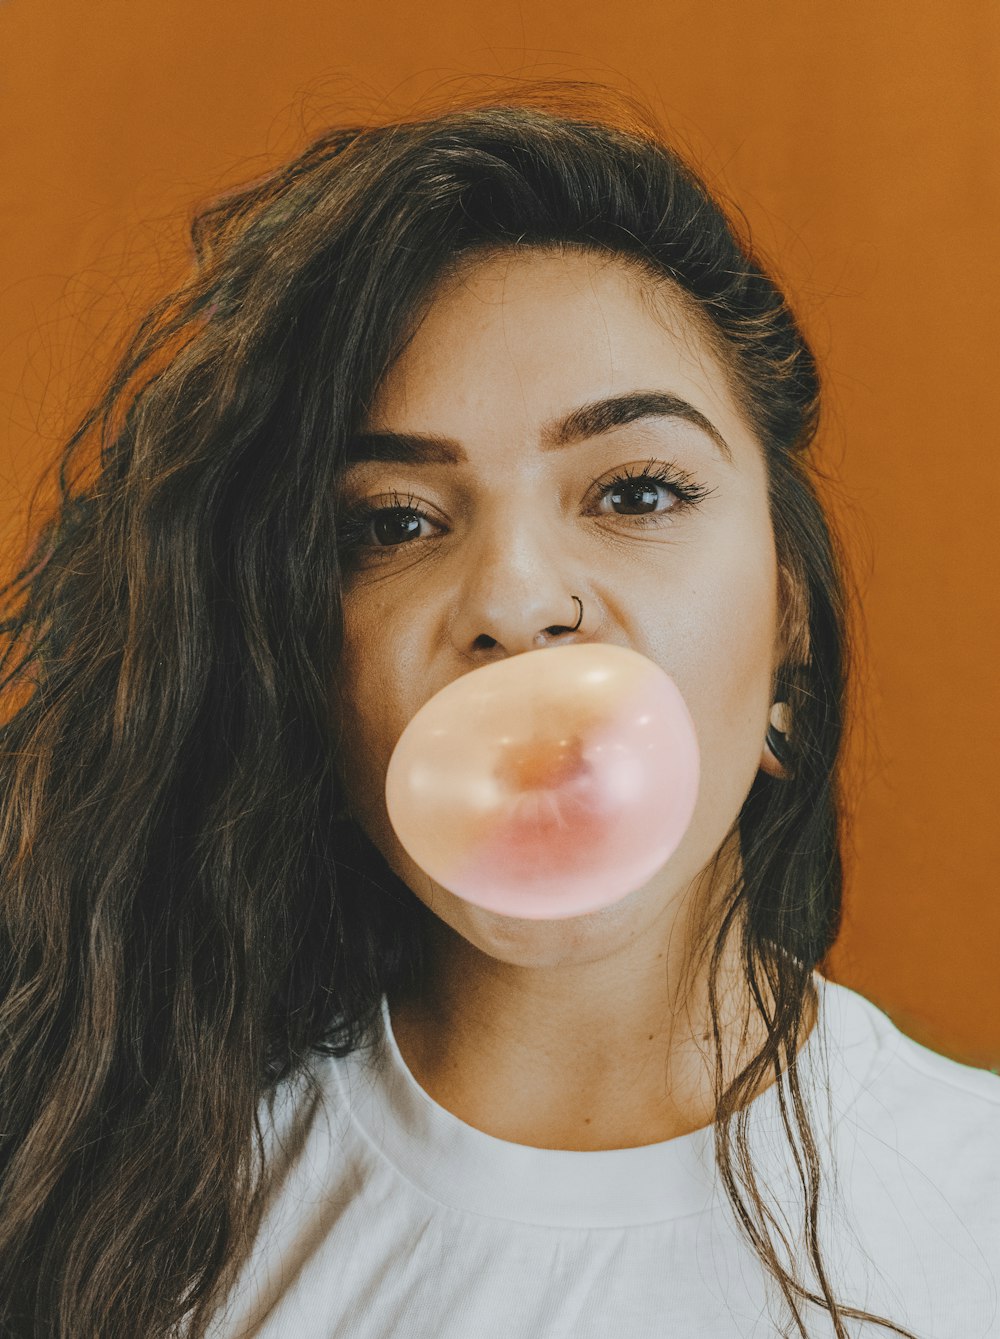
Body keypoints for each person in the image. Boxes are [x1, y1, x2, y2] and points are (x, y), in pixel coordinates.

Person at [0, 82, 996, 1339]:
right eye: (395, 523)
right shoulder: (100, 1221)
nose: (517, 599)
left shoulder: (978, 1214)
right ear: (305, 661)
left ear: (788, 616)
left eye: (635, 491)